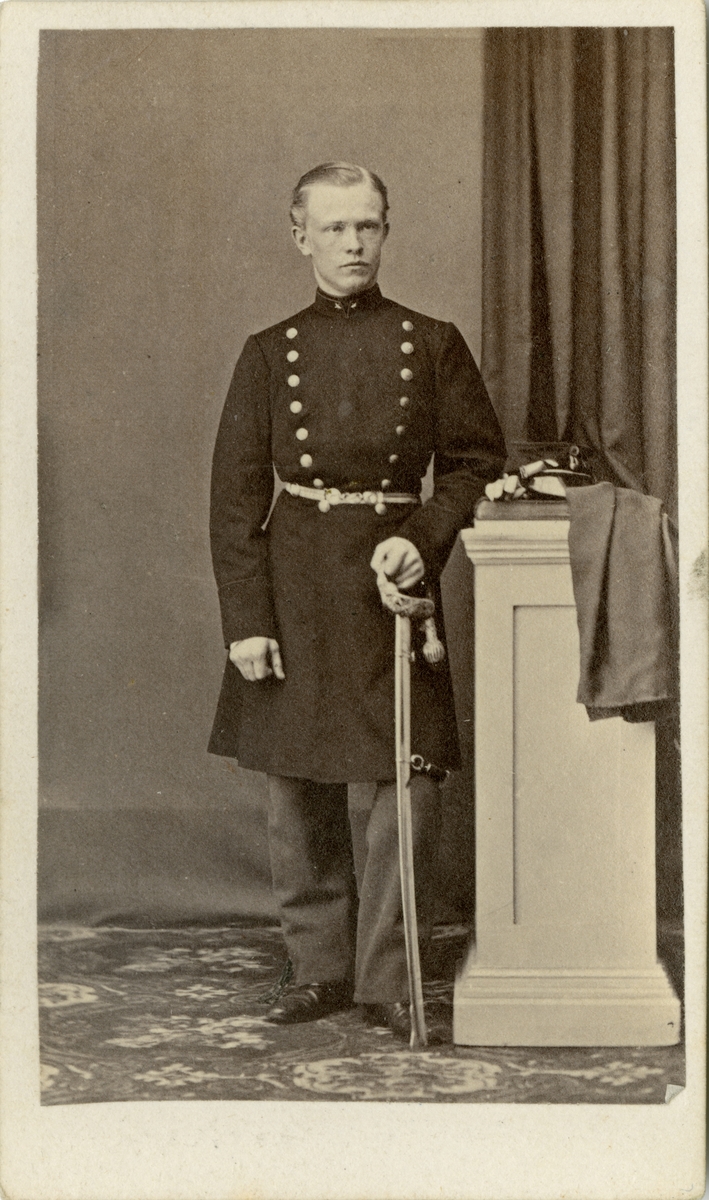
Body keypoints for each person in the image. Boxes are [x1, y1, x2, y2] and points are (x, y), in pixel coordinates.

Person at [208, 162, 506, 1040]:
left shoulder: (432, 342)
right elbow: (233, 501)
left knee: (404, 783)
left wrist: (422, 536)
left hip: (393, 581)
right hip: (295, 580)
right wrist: (246, 622)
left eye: (366, 226)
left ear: (385, 231)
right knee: (296, 783)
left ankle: (387, 975)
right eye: (334, 228)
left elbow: (474, 465)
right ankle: (318, 969)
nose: (352, 244)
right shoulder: (269, 352)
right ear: (300, 236)